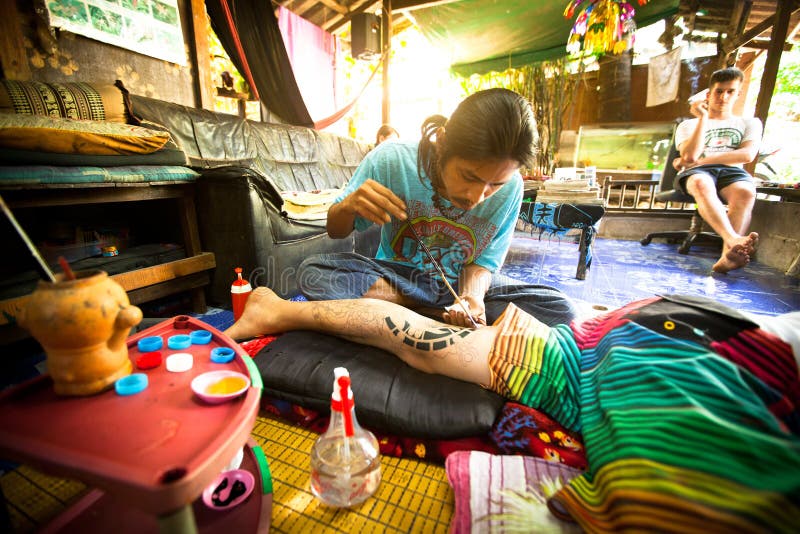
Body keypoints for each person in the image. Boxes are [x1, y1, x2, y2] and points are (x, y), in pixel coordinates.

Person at [226, 287, 800, 533]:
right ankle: (277, 310)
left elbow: (441, 317)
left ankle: (277, 309)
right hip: (702, 356)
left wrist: (473, 296)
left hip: (686, 328)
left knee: (431, 346)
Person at [297, 88, 577, 327]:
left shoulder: (513, 188)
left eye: (495, 185)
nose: (477, 196)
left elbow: (483, 264)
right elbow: (335, 230)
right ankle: (433, 312)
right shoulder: (391, 160)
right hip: (396, 278)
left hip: (454, 286)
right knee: (314, 272)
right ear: (442, 142)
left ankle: (406, 311)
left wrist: (473, 298)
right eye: (469, 176)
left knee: (559, 308)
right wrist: (347, 206)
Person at [673, 67, 762, 273]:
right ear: (709, 94)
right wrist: (703, 119)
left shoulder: (749, 123)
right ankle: (732, 239)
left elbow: (746, 155)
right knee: (701, 183)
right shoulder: (689, 125)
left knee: (745, 192)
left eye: (730, 91)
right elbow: (689, 157)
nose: (723, 97)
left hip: (731, 172)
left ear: (738, 94)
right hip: (698, 174)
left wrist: (702, 161)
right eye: (719, 91)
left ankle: (727, 258)